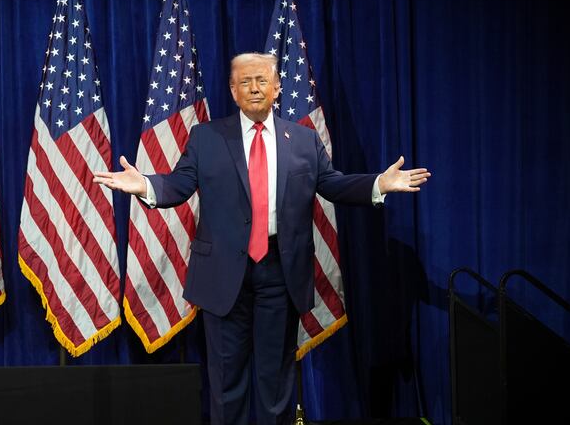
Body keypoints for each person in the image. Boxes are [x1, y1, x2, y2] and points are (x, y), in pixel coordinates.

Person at [94, 52, 429, 425]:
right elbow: (179, 185)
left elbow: (331, 184)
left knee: (276, 382)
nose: (254, 88)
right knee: (227, 383)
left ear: (277, 87)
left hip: (280, 273)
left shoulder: (302, 139)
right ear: (233, 91)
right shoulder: (206, 137)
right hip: (223, 275)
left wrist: (378, 184)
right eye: (245, 82)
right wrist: (145, 184)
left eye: (262, 80)